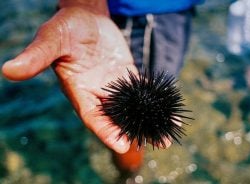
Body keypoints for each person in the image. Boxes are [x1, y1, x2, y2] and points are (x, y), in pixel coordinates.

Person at [1, 0, 203, 179]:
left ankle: (128, 174)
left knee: (135, 119)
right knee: (128, 130)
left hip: (172, 9)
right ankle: (129, 175)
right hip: (141, 11)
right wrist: (84, 5)